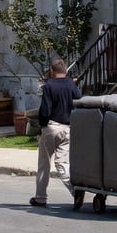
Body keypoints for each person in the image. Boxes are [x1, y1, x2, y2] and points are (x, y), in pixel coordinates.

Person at [29, 57, 82, 207]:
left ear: (52, 70)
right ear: (64, 70)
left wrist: (42, 125)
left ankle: (40, 197)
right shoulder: (72, 85)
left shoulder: (49, 86)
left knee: (44, 164)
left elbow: (45, 110)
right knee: (63, 164)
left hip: (51, 127)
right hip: (67, 128)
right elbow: (79, 102)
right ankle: (75, 190)